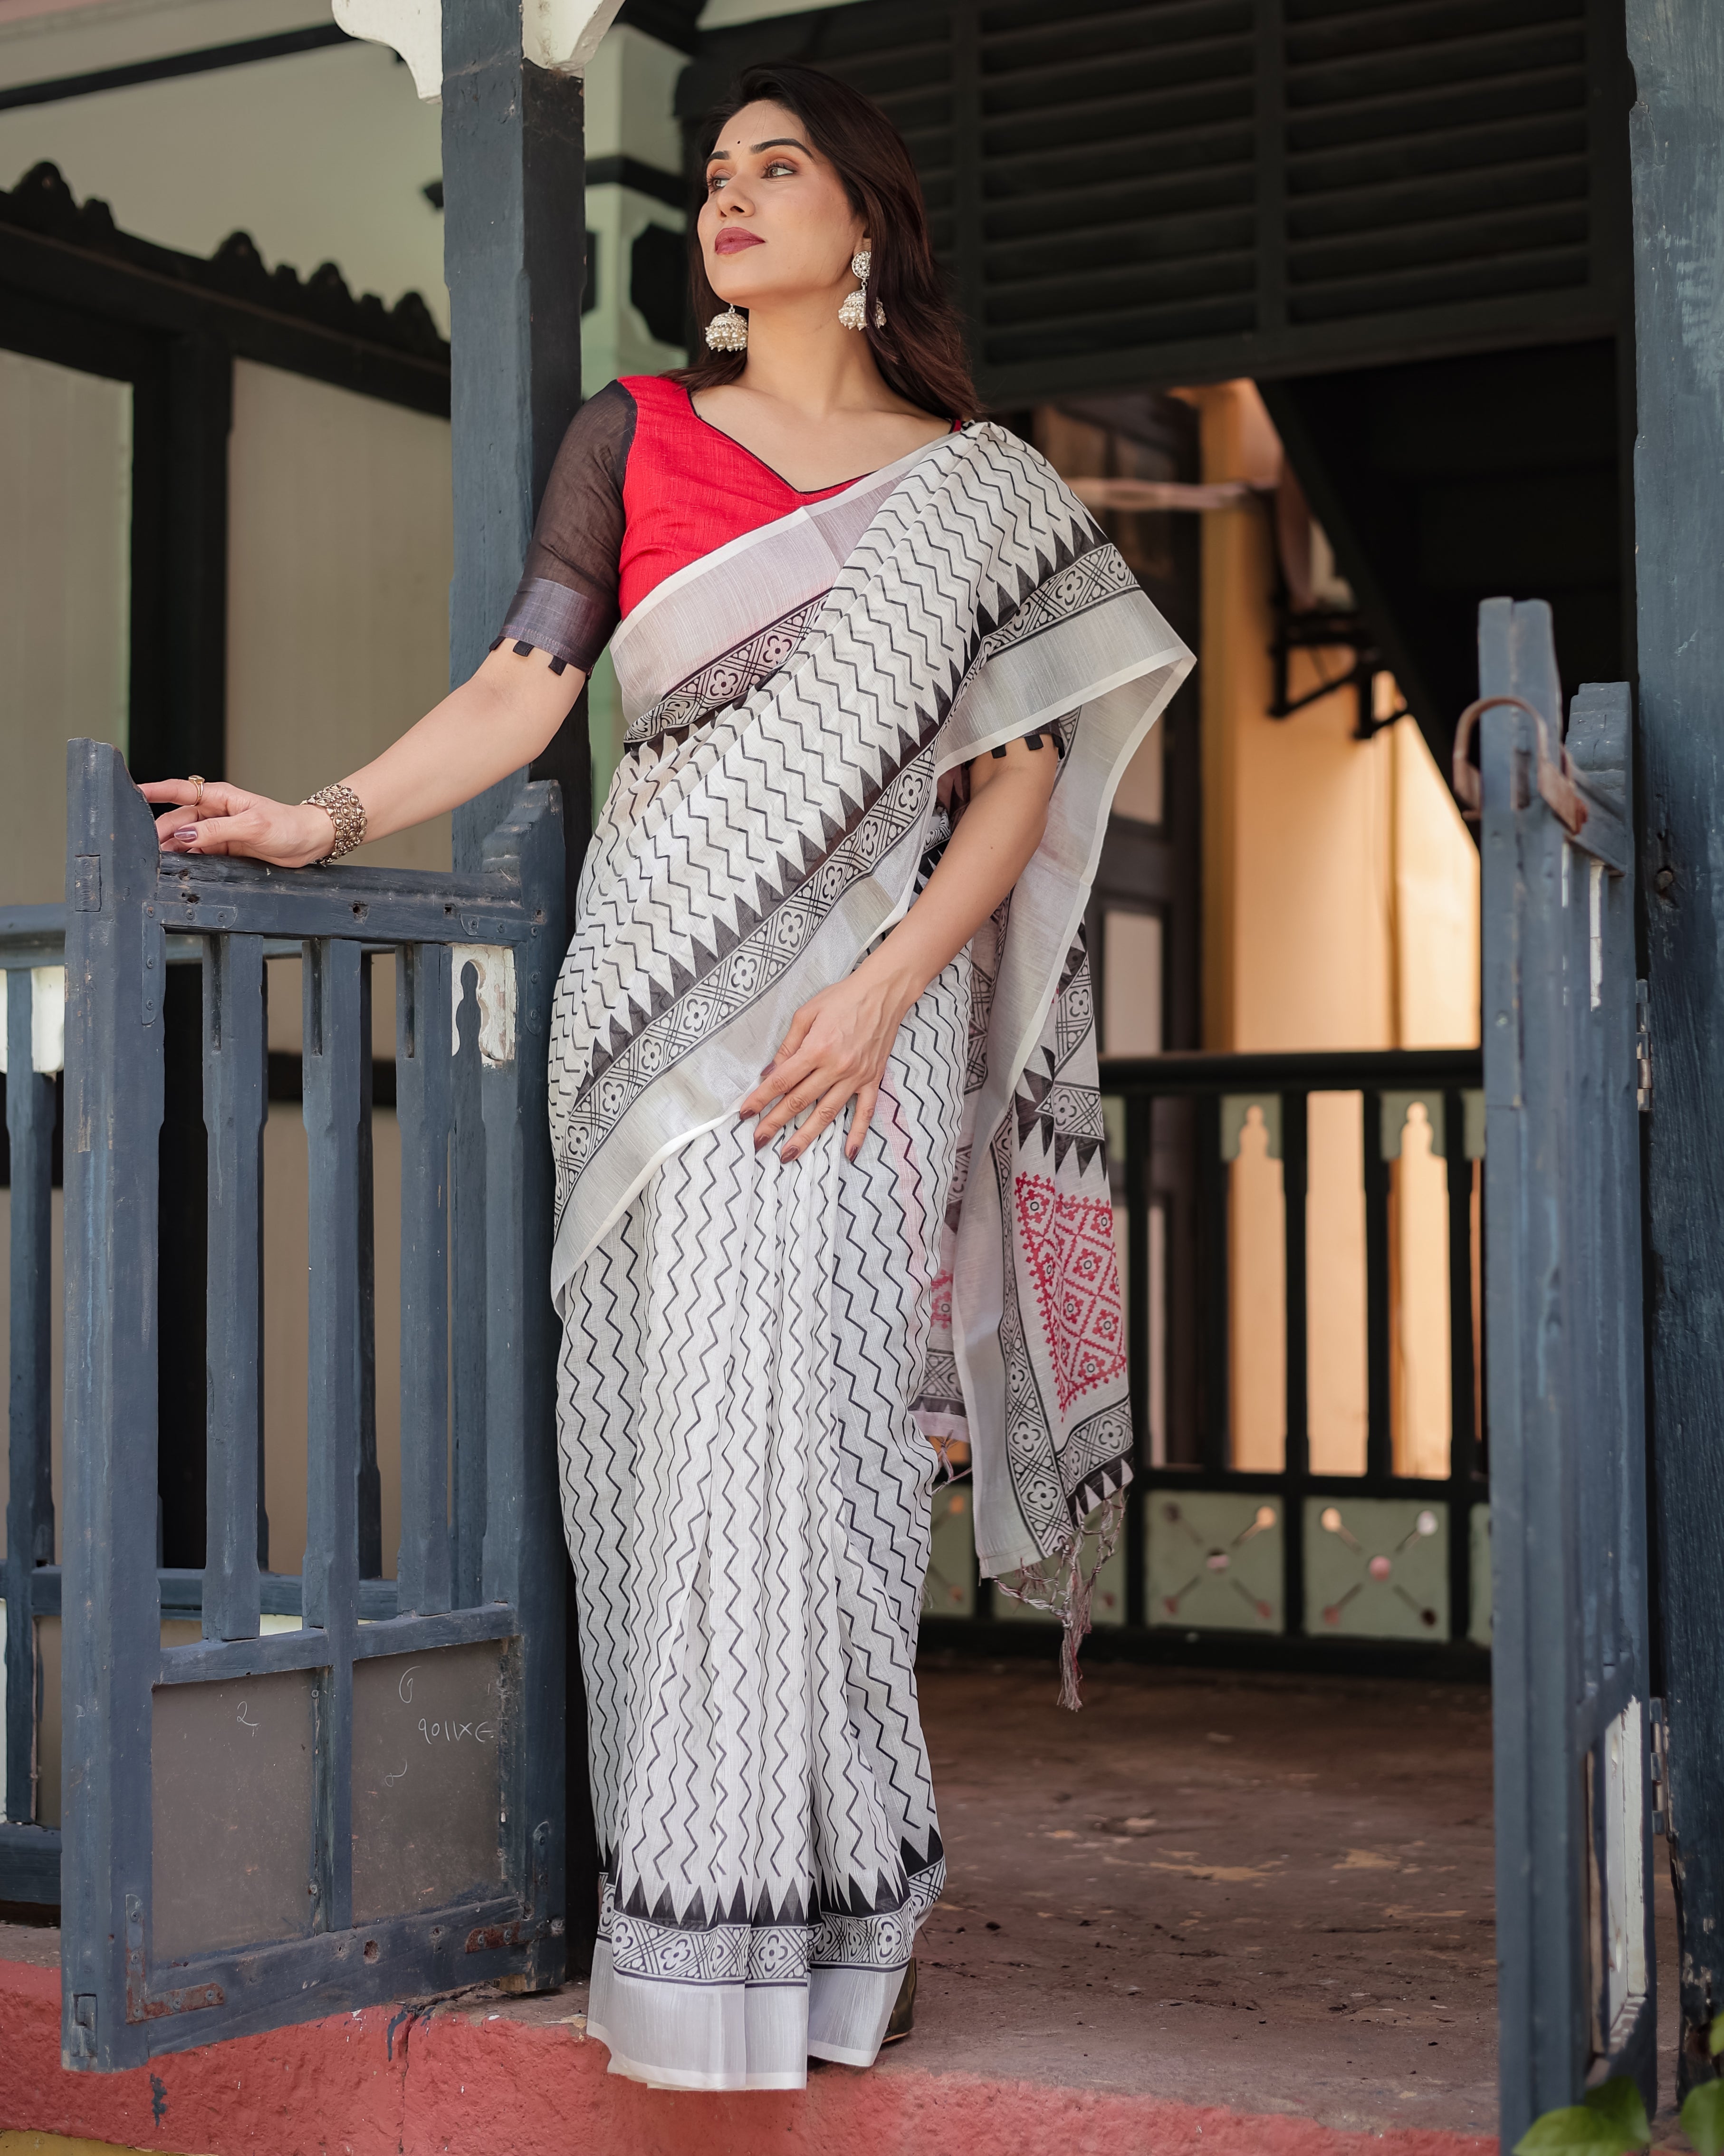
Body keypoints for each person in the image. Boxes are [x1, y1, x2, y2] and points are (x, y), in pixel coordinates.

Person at [142, 61, 1191, 2093]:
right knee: (680, 1450)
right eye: (712, 172)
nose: (729, 198)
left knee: (829, 1464)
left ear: (862, 224)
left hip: (851, 1031)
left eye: (775, 169)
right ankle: (707, 1946)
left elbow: (1014, 788)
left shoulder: (974, 489)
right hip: (653, 1016)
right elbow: (528, 685)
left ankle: (844, 1912)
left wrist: (888, 989)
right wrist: (323, 816)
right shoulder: (633, 434)